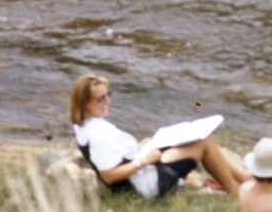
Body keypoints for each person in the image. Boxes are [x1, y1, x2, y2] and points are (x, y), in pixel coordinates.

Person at [69, 73, 250, 199]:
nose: (108, 101)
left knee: (191, 136)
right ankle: (237, 194)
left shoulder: (84, 127)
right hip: (145, 185)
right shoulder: (99, 135)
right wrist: (143, 161)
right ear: (85, 104)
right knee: (203, 142)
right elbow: (108, 175)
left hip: (139, 173)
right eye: (101, 99)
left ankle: (247, 180)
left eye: (108, 95)